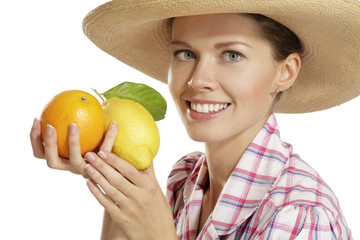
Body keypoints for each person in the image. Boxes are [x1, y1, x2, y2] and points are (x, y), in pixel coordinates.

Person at [30, 0, 360, 239]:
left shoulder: (299, 215)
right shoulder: (182, 181)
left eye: (232, 55)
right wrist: (113, 172)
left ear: (285, 72)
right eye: (185, 54)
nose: (198, 79)